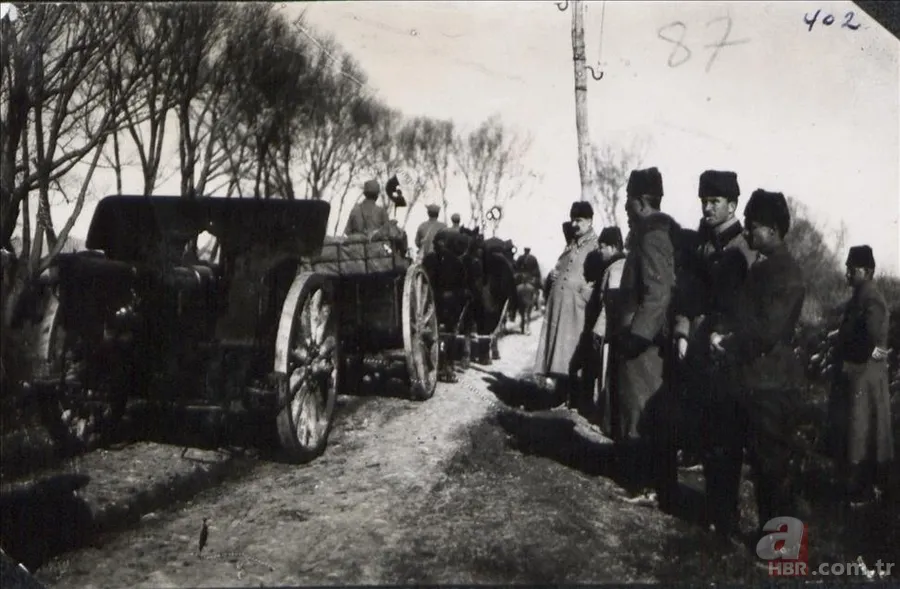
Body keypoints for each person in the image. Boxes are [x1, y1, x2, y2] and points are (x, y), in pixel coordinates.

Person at [708, 189, 806, 541]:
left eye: (752, 226)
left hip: (771, 386)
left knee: (773, 469)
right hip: (752, 380)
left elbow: (766, 331)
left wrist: (727, 342)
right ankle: (742, 530)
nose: (747, 232)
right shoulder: (765, 267)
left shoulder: (787, 274)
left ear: (773, 229)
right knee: (750, 461)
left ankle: (781, 548)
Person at [672, 171, 757, 494]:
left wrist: (726, 338)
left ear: (732, 206)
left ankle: (724, 508)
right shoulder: (702, 244)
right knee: (705, 427)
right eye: (704, 201)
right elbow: (686, 293)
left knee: (726, 432)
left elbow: (747, 306)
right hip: (697, 345)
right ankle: (712, 502)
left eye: (715, 202)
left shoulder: (744, 247)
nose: (707, 208)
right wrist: (682, 332)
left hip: (725, 350)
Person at [612, 167, 680, 510]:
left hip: (645, 347)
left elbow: (658, 294)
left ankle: (650, 487)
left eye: (628, 200)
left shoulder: (652, 236)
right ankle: (648, 482)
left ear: (639, 201)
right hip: (643, 342)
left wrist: (636, 338)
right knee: (639, 413)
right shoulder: (650, 233)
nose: (625, 207)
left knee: (644, 414)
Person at [829, 245, 894, 504]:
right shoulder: (860, 296)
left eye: (851, 268)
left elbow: (867, 339)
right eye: (847, 267)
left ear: (867, 271)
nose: (847, 272)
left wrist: (844, 347)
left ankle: (862, 490)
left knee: (862, 433)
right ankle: (854, 486)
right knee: (856, 432)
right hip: (858, 374)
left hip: (864, 376)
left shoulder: (871, 298)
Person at [533, 202, 598, 402]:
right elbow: (561, 266)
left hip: (578, 309)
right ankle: (561, 394)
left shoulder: (595, 245)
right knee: (559, 351)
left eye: (579, 220)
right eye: (572, 220)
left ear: (589, 221)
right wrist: (552, 276)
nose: (574, 224)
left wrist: (585, 293)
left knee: (573, 353)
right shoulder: (571, 244)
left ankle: (575, 399)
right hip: (560, 306)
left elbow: (598, 278)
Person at [590, 226, 627, 436]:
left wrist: (599, 329)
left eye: (602, 247)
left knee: (606, 375)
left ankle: (606, 422)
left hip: (610, 332)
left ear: (613, 247)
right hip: (615, 330)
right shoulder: (617, 266)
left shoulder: (616, 268)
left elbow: (610, 305)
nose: (600, 251)